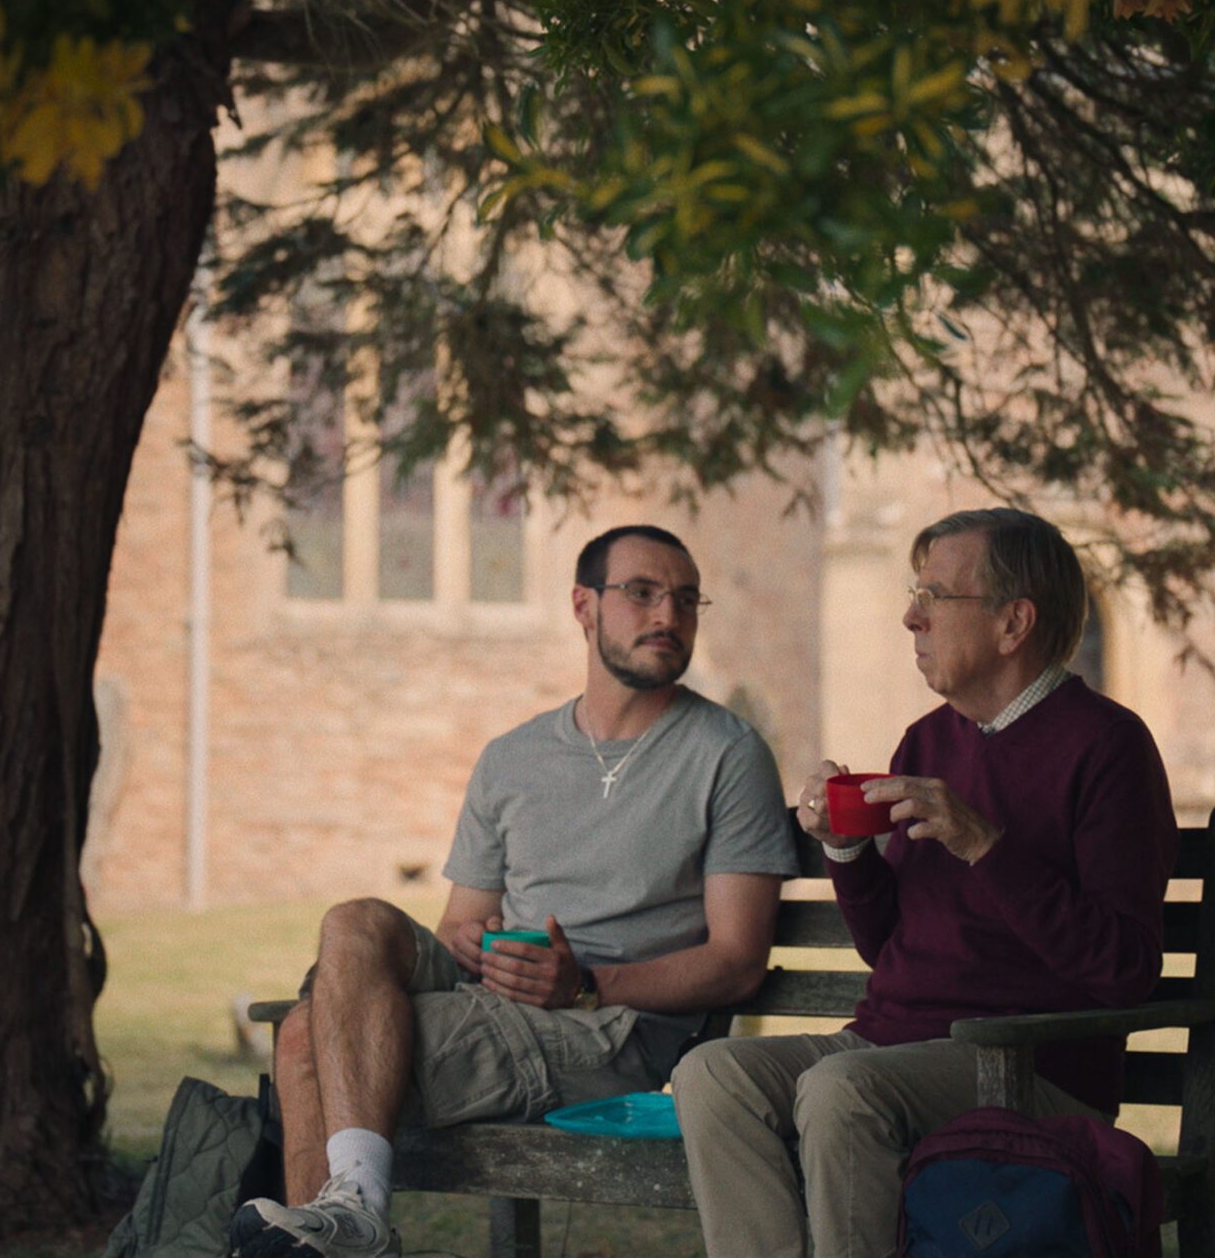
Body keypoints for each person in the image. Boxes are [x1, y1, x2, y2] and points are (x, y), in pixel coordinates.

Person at [230, 525, 802, 1258]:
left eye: (686, 599)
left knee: (308, 1036)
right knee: (355, 920)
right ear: (583, 607)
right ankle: (353, 1215)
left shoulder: (726, 754)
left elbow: (737, 960)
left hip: (614, 1030)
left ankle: (349, 1225)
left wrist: (588, 983)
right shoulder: (514, 756)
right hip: (499, 1003)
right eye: (642, 593)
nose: (668, 615)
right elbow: (458, 927)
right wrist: (468, 940)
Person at [671, 507, 1178, 1258]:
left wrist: (985, 844)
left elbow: (1124, 970)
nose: (912, 617)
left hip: (1028, 1063)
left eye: (936, 596)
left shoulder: (1108, 746)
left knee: (842, 1089)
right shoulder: (928, 739)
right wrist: (848, 851)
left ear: (1014, 622)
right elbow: (893, 951)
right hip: (890, 1045)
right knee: (712, 1073)